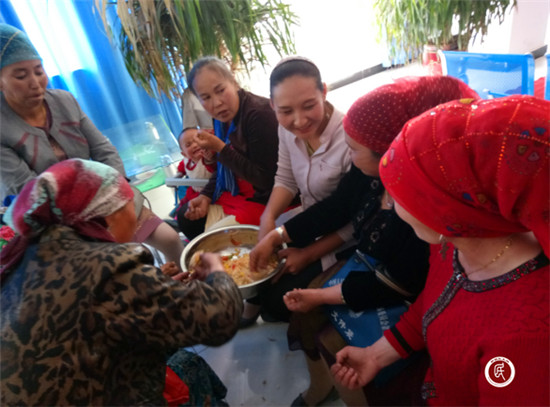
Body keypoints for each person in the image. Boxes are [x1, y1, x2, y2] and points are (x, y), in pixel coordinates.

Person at [251, 75, 480, 406]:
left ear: (390, 153)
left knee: (337, 346)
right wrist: (277, 235)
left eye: (354, 149)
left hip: (391, 290)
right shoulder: (371, 174)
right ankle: (320, 386)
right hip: (366, 267)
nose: (348, 154)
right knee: (299, 311)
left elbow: (396, 284)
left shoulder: (423, 213)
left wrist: (321, 295)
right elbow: (337, 206)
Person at [331, 95, 549, 406]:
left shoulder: (528, 340)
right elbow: (433, 304)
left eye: (401, 193)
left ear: (449, 212)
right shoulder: (451, 244)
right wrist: (375, 355)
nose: (390, 203)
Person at [0, 158, 243, 405]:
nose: (136, 218)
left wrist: (159, 288)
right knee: (189, 365)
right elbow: (218, 317)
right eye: (131, 207)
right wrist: (216, 271)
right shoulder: (110, 266)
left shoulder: (21, 259)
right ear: (109, 215)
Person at [0, 23, 184, 269]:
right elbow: (29, 193)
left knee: (170, 239)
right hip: (57, 225)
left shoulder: (64, 101)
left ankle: (185, 282)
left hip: (108, 199)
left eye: (38, 70)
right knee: (125, 268)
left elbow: (103, 150)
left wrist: (117, 196)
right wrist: (95, 216)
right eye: (21, 76)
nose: (35, 82)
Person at [242, 56, 353, 326]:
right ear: (272, 106)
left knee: (276, 303)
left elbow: (354, 217)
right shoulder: (285, 129)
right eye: (286, 111)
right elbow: (286, 178)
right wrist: (268, 218)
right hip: (307, 221)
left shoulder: (350, 137)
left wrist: (308, 254)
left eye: (309, 106)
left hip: (344, 235)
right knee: (260, 264)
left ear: (324, 92)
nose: (299, 121)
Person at [176, 56, 279, 240]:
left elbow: (266, 180)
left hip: (269, 199)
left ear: (233, 81)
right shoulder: (221, 118)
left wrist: (220, 148)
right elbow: (225, 167)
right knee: (186, 217)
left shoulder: (258, 114)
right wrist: (206, 195)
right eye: (206, 97)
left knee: (211, 241)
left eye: (220, 90)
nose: (216, 103)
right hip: (239, 192)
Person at [170, 127, 216, 218]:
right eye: (188, 145)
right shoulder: (187, 161)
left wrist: (210, 159)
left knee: (191, 207)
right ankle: (177, 219)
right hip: (193, 191)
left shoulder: (207, 159)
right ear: (184, 154)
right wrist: (179, 175)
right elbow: (182, 167)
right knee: (182, 204)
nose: (195, 145)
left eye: (198, 141)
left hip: (210, 193)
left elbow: (214, 168)